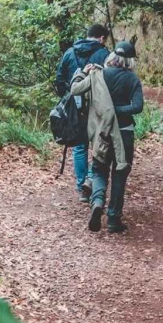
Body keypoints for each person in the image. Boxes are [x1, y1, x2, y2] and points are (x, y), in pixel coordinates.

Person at [70, 40, 143, 233]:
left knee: (99, 169)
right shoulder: (132, 79)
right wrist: (118, 111)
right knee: (120, 173)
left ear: (112, 56)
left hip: (102, 132)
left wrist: (82, 73)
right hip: (124, 133)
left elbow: (75, 90)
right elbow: (138, 106)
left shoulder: (98, 74)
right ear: (131, 61)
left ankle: (97, 202)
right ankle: (113, 219)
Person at [55, 23, 112, 201]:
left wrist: (67, 97)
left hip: (75, 105)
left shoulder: (70, 52)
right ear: (101, 38)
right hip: (96, 105)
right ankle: (91, 179)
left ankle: (82, 187)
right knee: (98, 145)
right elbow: (110, 78)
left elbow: (59, 79)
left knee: (79, 147)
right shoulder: (104, 54)